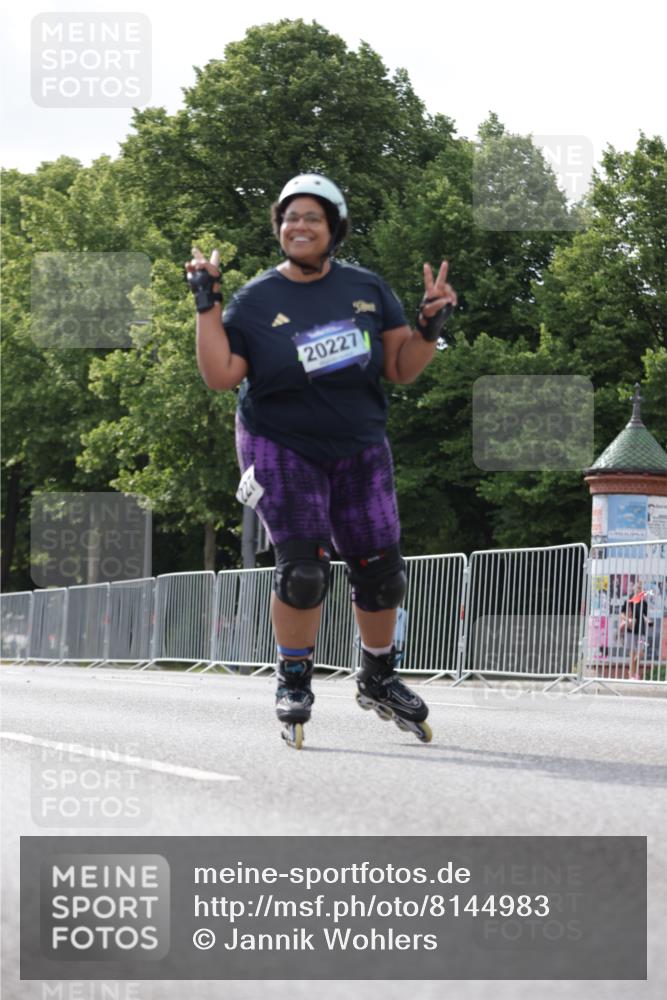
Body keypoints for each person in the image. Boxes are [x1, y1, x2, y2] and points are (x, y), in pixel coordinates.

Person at [186, 173, 457, 748]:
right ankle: (293, 680)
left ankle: (378, 675)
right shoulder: (256, 299)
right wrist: (206, 303)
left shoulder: (366, 288)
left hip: (358, 442)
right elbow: (220, 376)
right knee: (304, 571)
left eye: (312, 217)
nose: (299, 226)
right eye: (290, 218)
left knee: (381, 573)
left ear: (334, 228)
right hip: (279, 442)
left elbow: (400, 368)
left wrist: (430, 326)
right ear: (279, 228)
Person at [618, 581, 653, 680]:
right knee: (632, 652)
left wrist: (648, 621)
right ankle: (633, 674)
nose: (639, 590)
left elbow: (644, 616)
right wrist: (627, 620)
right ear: (634, 589)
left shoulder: (644, 603)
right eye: (637, 588)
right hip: (631, 630)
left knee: (641, 653)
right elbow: (622, 614)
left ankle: (632, 671)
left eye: (640, 588)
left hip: (641, 630)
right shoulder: (629, 601)